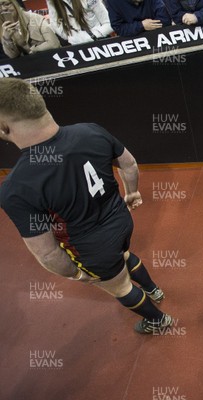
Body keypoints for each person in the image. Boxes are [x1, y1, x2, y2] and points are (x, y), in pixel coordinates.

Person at [0, 78, 172, 334]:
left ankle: (158, 321)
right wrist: (132, 192)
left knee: (120, 286)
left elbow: (47, 254)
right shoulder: (90, 130)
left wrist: (77, 275)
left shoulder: (16, 187)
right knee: (123, 254)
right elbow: (129, 164)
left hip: (92, 248)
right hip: (121, 221)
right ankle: (153, 290)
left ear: (4, 127)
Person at [46, 0, 114, 45]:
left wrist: (89, 37)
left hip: (99, 41)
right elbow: (57, 28)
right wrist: (73, 38)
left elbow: (109, 23)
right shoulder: (52, 2)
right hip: (77, 47)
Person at [105, 0, 171, 37]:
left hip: (159, 36)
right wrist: (141, 25)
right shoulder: (113, 2)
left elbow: (165, 19)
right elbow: (118, 28)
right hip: (132, 41)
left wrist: (148, 25)